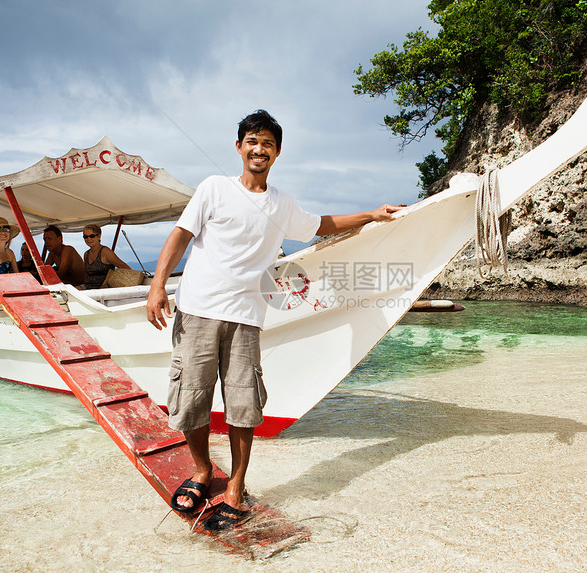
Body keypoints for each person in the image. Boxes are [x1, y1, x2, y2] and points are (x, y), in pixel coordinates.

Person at [146, 109, 401, 531]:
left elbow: (321, 225)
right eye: (251, 141)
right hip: (197, 310)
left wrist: (372, 214)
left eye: (266, 143)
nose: (258, 149)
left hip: (247, 317)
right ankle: (203, 470)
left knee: (243, 406)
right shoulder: (214, 188)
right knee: (191, 400)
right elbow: (180, 236)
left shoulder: (282, 203)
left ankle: (236, 486)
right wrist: (157, 287)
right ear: (239, 147)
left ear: (277, 152)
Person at [81, 224, 131, 289]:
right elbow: (86, 274)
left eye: (92, 236)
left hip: (103, 288)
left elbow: (122, 265)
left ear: (99, 236)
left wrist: (138, 275)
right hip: (88, 286)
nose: (88, 239)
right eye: (85, 236)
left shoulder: (105, 252)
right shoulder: (86, 254)